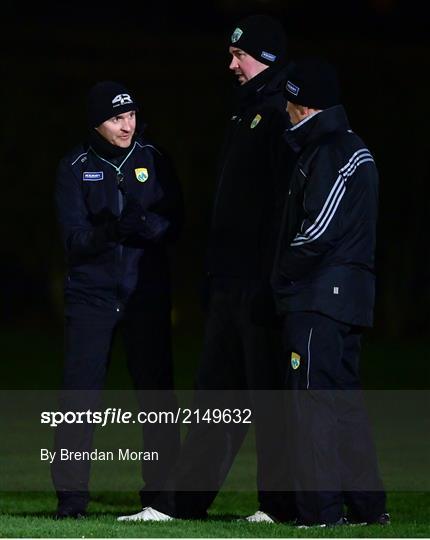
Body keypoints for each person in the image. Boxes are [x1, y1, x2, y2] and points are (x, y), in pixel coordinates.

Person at [118, 14, 296, 523]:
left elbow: (283, 208)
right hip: (229, 283)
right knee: (215, 399)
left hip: (261, 285)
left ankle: (279, 506)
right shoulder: (245, 113)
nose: (231, 64)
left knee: (269, 400)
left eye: (239, 55)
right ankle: (177, 506)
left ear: (265, 56)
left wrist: (272, 277)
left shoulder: (282, 113)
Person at [52, 80, 183, 519]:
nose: (126, 125)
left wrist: (149, 227)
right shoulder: (74, 166)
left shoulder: (154, 158)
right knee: (78, 397)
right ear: (96, 123)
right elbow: (74, 240)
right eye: (115, 118)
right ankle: (71, 501)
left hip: (145, 295)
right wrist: (114, 231)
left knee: (156, 397)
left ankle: (161, 500)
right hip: (91, 297)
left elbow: (177, 222)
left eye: (130, 116)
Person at [271, 58, 389, 526]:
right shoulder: (340, 147)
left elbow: (316, 231)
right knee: (343, 405)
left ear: (301, 105)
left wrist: (283, 274)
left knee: (310, 405)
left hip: (321, 297)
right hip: (344, 298)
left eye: (288, 101)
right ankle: (365, 509)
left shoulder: (334, 150)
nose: (283, 109)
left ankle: (319, 513)